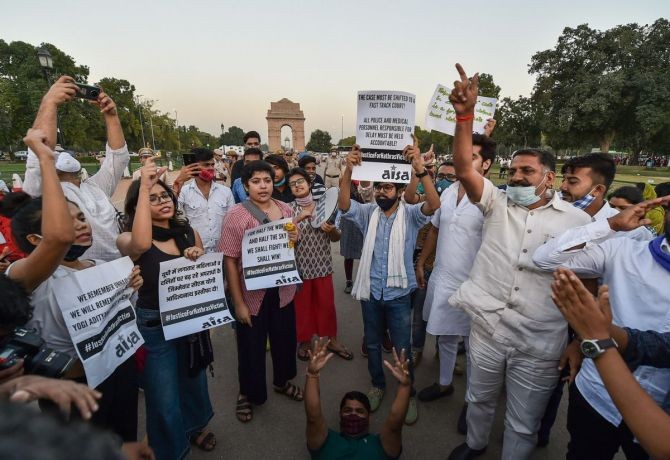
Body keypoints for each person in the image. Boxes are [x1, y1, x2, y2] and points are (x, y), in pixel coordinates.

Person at [444, 64, 591, 460]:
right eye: (513, 170)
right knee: (478, 399)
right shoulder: (497, 203)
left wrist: (577, 341)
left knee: (523, 422)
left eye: (528, 171)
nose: (518, 177)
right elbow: (462, 167)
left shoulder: (579, 223)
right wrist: (464, 117)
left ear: (551, 177)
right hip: (488, 328)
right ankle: (474, 445)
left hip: (541, 342)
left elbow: (587, 287)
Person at [532, 196, 670, 460]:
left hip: (660, 413)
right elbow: (545, 259)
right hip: (596, 393)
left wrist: (599, 335)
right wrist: (611, 225)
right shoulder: (624, 251)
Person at [7, 190, 142, 442]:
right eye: (69, 223)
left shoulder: (100, 267)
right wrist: (46, 160)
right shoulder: (29, 279)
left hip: (120, 373)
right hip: (73, 387)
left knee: (124, 442)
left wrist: (131, 289)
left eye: (82, 217)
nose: (81, 225)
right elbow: (58, 240)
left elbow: (123, 319)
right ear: (36, 239)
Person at [117, 158, 216, 460]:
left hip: (189, 321)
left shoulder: (188, 233)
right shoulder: (127, 240)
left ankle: (194, 426)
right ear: (137, 210)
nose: (163, 201)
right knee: (163, 397)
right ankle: (172, 450)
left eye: (165, 196)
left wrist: (197, 258)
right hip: (154, 326)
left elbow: (204, 277)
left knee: (193, 381)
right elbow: (141, 242)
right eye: (152, 199)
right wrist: (144, 186)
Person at [338, 136, 440, 425]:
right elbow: (344, 205)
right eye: (379, 187)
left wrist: (420, 170)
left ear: (397, 190)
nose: (381, 192)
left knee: (402, 347)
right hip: (371, 293)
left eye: (387, 187)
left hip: (397, 295)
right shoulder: (368, 212)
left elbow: (434, 204)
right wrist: (348, 170)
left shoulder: (409, 215)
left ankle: (408, 393)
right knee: (372, 344)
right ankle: (378, 385)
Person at [412, 135, 496, 443]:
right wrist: (423, 263)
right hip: (443, 276)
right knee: (445, 337)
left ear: (486, 164)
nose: (463, 161)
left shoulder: (493, 199)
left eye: (471, 156)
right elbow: (435, 227)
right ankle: (445, 382)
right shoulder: (448, 194)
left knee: (475, 349)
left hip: (476, 284)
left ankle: (472, 402)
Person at [551, 267, 670, 460]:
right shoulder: (629, 249)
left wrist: (597, 340)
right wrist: (589, 331)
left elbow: (664, 447)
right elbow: (657, 345)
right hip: (594, 400)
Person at [219, 160, 303, 424]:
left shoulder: (285, 208)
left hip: (283, 291)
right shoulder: (236, 215)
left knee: (284, 340)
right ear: (246, 186)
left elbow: (290, 248)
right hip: (251, 295)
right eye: (256, 181)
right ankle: (247, 392)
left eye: (267, 180)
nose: (263, 186)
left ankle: (281, 381)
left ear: (274, 182)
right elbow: (230, 260)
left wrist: (294, 239)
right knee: (251, 347)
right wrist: (238, 302)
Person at [23, 76, 129, 262]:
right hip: (74, 279)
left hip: (115, 275)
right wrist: (49, 103)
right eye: (56, 152)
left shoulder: (96, 187)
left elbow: (117, 159)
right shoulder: (45, 193)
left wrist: (111, 116)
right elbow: (40, 154)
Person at [305, 337, 411, 459]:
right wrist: (312, 375)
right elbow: (313, 415)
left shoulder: (382, 445)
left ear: (369, 417)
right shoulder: (325, 441)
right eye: (347, 410)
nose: (353, 414)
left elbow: (395, 423)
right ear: (340, 414)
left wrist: (405, 386)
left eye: (360, 411)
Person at [287, 167, 351, 362]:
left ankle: (331, 339)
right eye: (292, 184)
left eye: (300, 181)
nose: (297, 186)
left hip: (322, 266)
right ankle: (305, 341)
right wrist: (292, 235)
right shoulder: (288, 210)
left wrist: (331, 230)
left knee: (326, 306)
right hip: (300, 269)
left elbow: (336, 237)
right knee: (302, 307)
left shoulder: (325, 205)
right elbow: (284, 241)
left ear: (309, 183)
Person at [176, 148, 234, 254]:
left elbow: (232, 223)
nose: (211, 168)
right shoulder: (184, 192)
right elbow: (175, 216)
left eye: (212, 165)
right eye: (206, 165)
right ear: (194, 167)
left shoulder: (226, 192)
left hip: (223, 252)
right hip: (195, 253)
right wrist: (179, 181)